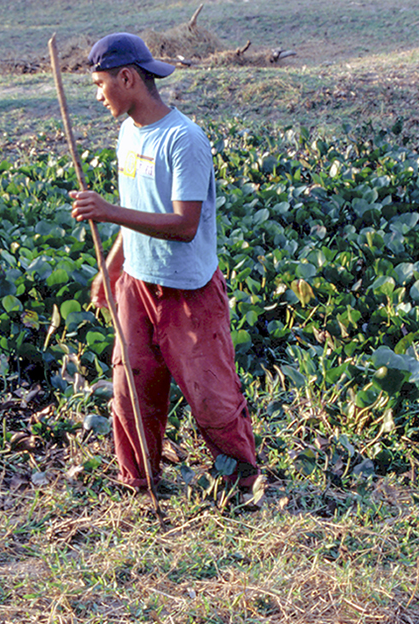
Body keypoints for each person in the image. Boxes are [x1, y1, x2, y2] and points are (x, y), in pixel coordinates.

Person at [69, 32, 261, 502]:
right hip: (137, 284)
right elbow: (139, 209)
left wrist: (107, 211)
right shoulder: (127, 133)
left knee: (212, 398)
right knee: (131, 392)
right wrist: (113, 266)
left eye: (100, 84)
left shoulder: (184, 139)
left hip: (189, 291)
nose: (98, 95)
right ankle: (140, 485)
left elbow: (184, 225)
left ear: (127, 78)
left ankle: (243, 485)